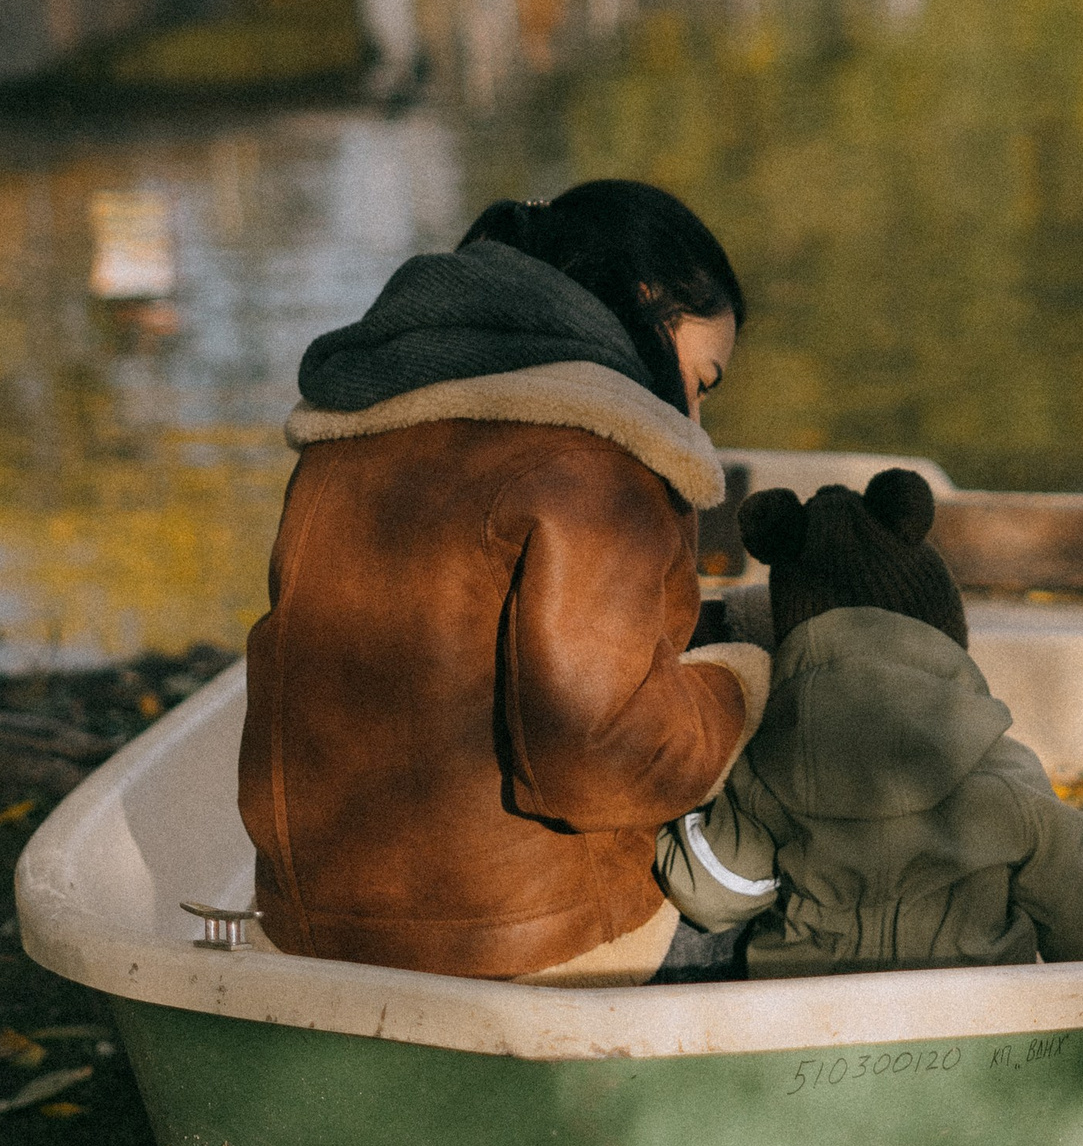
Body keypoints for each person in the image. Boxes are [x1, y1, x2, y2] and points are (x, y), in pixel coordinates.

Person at [237, 180, 768, 984]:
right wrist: (745, 684)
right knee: (837, 882)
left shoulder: (350, 430)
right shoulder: (600, 459)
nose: (692, 418)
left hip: (309, 935)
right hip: (533, 953)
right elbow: (607, 763)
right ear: (646, 301)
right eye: (703, 377)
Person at [655, 470, 1083, 979]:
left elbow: (714, 892)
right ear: (944, 633)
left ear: (795, 642)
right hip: (971, 1013)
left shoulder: (770, 765)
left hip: (817, 1021)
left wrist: (682, 813)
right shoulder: (1004, 766)